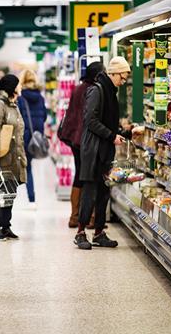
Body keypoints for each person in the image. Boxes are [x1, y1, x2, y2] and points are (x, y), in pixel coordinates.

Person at [74, 57, 135, 250]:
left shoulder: (111, 92)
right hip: (93, 150)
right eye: (122, 77)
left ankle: (99, 232)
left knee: (103, 192)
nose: (123, 81)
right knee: (90, 192)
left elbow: (109, 123)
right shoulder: (97, 90)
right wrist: (111, 136)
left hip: (105, 150)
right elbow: (90, 121)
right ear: (114, 73)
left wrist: (128, 132)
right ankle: (81, 232)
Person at [59, 62, 105, 228]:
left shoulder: (78, 88)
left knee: (79, 174)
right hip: (85, 139)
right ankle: (89, 218)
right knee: (89, 176)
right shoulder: (94, 90)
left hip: (73, 138)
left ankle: (74, 216)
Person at [0, 74, 27, 241]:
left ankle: (6, 226)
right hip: (3, 156)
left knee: (10, 192)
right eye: (18, 85)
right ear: (12, 87)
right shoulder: (0, 104)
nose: (21, 87)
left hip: (15, 156)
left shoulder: (14, 104)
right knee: (1, 192)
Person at [17, 69, 47, 208]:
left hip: (24, 135)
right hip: (37, 136)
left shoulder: (20, 97)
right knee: (29, 167)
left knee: (25, 167)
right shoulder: (40, 97)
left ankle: (28, 198)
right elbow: (44, 116)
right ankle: (32, 200)